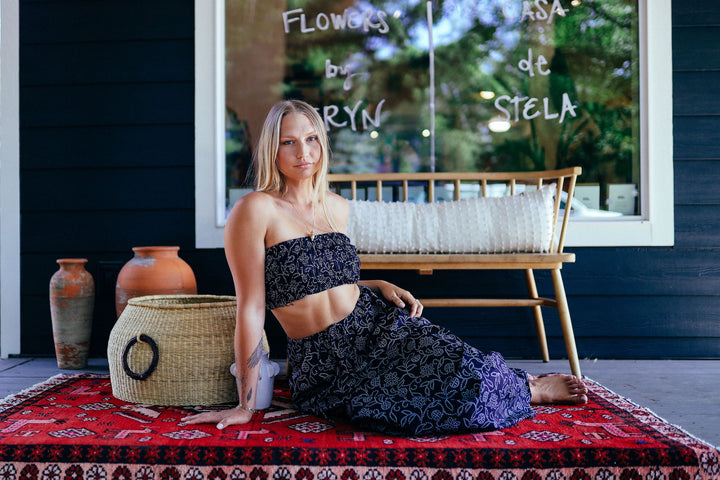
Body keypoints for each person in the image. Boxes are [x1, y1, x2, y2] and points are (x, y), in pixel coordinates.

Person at [182, 100, 587, 436]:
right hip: (326, 362)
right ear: (273, 149)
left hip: (376, 325)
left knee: (467, 368)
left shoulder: (336, 207)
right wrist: (246, 404)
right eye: (289, 142)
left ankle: (527, 385)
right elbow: (252, 306)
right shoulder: (255, 209)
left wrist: (373, 283)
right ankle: (525, 386)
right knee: (416, 411)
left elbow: (325, 277)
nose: (303, 153)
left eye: (311, 139)